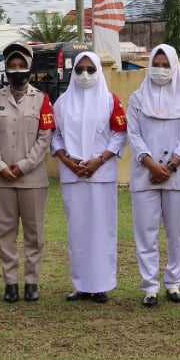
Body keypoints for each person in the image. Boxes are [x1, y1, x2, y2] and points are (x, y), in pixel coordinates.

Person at [128, 44, 180, 307]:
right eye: (156, 65)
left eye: (165, 65)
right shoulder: (137, 99)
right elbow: (134, 135)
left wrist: (169, 166)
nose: (160, 70)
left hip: (178, 176)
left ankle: (173, 283)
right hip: (145, 176)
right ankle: (150, 286)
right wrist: (151, 164)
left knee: (176, 233)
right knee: (146, 233)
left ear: (174, 67)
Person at [0, 42, 55, 304]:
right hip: (0, 180)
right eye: (11, 66)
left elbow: (44, 138)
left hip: (32, 179)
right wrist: (0, 166)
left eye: (21, 65)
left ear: (29, 67)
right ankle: (10, 283)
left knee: (34, 233)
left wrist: (23, 165)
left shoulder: (43, 100)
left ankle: (32, 282)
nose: (16, 70)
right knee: (5, 233)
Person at [52, 52, 127, 304]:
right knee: (78, 232)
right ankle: (81, 285)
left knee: (102, 231)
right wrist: (66, 159)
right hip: (73, 175)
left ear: (99, 72)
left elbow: (119, 133)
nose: (85, 75)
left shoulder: (110, 101)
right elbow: (55, 135)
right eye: (81, 69)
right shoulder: (62, 103)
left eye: (91, 70)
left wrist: (100, 159)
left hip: (101, 175)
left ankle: (101, 285)